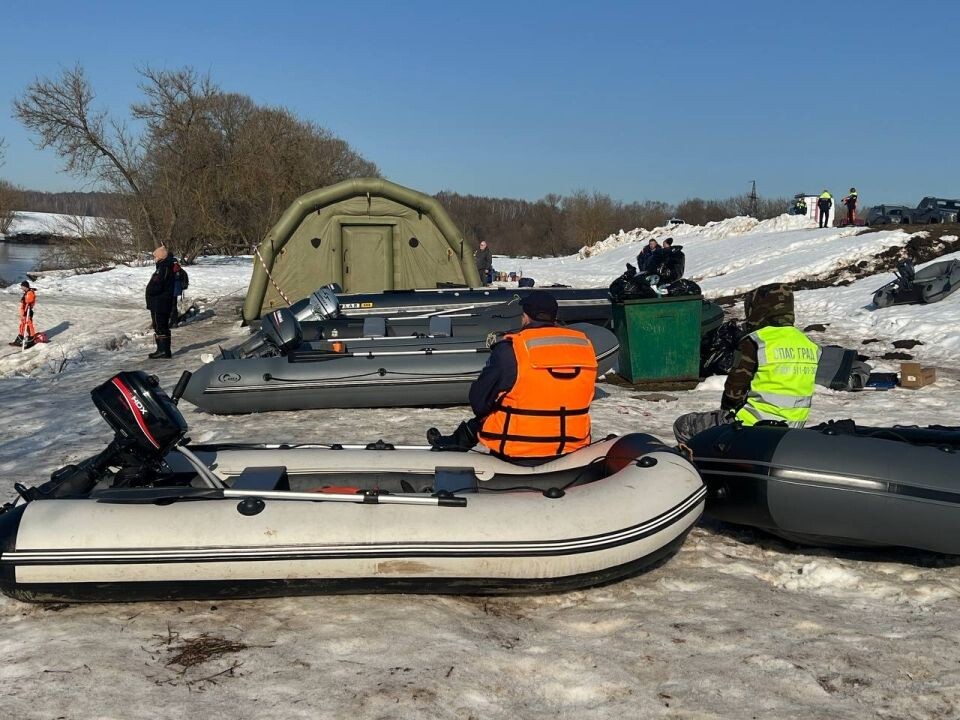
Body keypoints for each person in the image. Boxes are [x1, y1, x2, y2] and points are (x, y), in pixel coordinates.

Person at [427, 290, 598, 460]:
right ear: (554, 317)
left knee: (493, 410)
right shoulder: (584, 346)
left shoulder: (511, 349)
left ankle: (454, 445)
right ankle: (456, 442)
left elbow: (479, 402)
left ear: (525, 317)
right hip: (572, 446)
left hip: (519, 450)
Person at [673, 283, 820, 446]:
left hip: (751, 424)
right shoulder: (809, 345)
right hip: (793, 427)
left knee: (684, 425)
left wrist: (726, 414)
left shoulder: (758, 341)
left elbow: (734, 391)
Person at [145, 246, 176, 359]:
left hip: (160, 302)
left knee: (160, 326)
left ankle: (163, 350)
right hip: (160, 301)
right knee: (160, 326)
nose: (154, 259)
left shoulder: (164, 268)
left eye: (155, 256)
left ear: (160, 257)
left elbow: (157, 284)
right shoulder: (165, 267)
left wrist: (151, 291)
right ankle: (163, 349)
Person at [9, 281, 37, 348]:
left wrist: (25, 311)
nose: (21, 288)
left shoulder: (30, 293)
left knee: (29, 325)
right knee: (23, 325)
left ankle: (31, 340)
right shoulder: (27, 292)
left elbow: (28, 302)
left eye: (22, 286)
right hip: (24, 312)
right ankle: (19, 339)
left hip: (27, 312)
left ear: (25, 287)